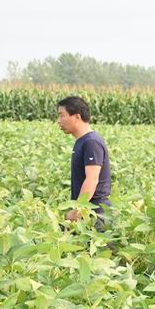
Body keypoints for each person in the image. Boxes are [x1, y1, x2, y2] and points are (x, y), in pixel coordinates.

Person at [56, 96, 112, 230]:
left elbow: (92, 179)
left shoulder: (91, 142)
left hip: (95, 212)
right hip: (87, 210)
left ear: (77, 116)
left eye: (61, 115)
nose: (58, 121)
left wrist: (78, 210)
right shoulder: (82, 141)